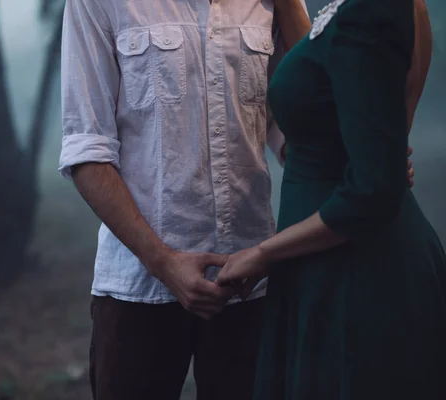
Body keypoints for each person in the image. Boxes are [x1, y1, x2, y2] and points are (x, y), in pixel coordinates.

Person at [58, 1, 415, 400]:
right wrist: (163, 262)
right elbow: (87, 151)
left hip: (249, 281)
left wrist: (367, 157)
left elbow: (295, 120)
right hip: (139, 285)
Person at [216, 0, 446, 399]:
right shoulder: (362, 9)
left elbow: (374, 187)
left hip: (354, 271)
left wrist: (265, 254)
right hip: (328, 258)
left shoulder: (373, 11)